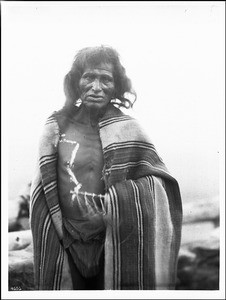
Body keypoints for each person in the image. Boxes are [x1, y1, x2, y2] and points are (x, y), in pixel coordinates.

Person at [30, 45, 183, 290]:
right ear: (76, 81)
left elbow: (159, 183)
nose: (96, 87)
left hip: (113, 240)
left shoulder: (130, 130)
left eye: (106, 79)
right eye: (89, 77)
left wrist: (115, 206)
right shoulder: (56, 126)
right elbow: (44, 183)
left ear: (116, 87)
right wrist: (63, 232)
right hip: (65, 239)